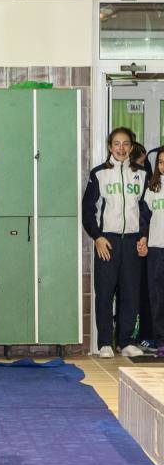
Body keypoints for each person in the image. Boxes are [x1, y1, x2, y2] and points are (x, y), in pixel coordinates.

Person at [82, 127, 147, 359]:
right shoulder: (99, 173)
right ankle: (104, 343)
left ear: (131, 147)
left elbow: (144, 210)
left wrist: (144, 236)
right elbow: (87, 210)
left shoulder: (141, 174)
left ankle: (126, 341)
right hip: (107, 241)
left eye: (126, 144)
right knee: (105, 292)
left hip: (131, 242)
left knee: (131, 292)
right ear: (110, 147)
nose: (121, 148)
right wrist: (97, 236)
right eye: (117, 144)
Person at [136, 150, 164, 358]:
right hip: (156, 249)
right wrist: (143, 238)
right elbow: (145, 216)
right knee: (157, 298)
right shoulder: (153, 187)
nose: (163, 166)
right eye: (161, 162)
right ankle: (161, 341)